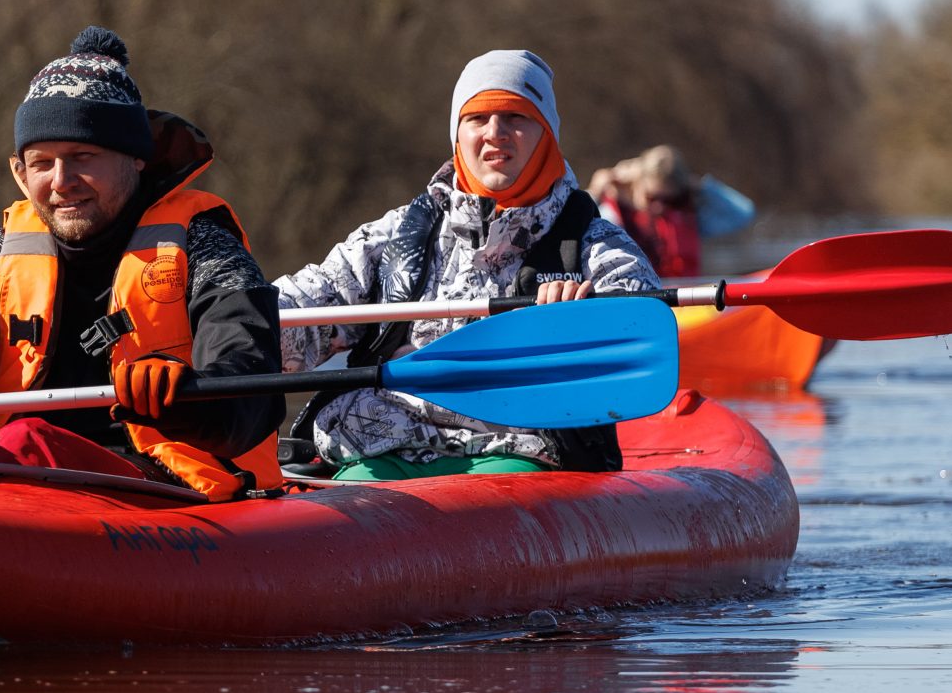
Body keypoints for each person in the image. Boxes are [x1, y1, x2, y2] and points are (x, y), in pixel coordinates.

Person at [0, 27, 286, 500]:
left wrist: (185, 393)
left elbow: (250, 379)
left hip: (170, 484)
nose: (62, 182)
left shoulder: (205, 241)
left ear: (137, 159)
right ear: (20, 172)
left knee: (26, 439)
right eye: (42, 163)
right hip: (22, 475)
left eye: (84, 157)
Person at [271, 49, 660, 480]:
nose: (496, 133)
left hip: (519, 452)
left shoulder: (592, 241)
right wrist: (237, 319)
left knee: (509, 479)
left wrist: (576, 327)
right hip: (383, 444)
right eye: (477, 119)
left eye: (516, 116)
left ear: (545, 132)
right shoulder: (401, 233)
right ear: (458, 133)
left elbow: (642, 327)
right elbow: (312, 299)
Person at [617, 145, 702, 277]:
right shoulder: (614, 214)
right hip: (640, 294)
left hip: (681, 293)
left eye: (668, 200)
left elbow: (741, 214)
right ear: (636, 182)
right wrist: (598, 189)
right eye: (651, 197)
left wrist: (702, 185)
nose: (659, 207)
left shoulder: (684, 215)